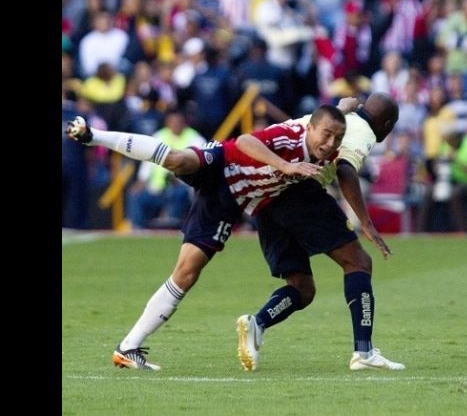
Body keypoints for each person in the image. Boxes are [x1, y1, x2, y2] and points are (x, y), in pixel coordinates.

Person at [66, 105, 348, 370]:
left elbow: (330, 120)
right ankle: (93, 135)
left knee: (187, 272)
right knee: (178, 160)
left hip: (230, 199)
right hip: (224, 161)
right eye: (327, 135)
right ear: (311, 128)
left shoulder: (327, 149)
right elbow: (244, 142)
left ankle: (128, 347)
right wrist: (285, 166)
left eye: (338, 138)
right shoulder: (290, 137)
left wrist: (344, 109)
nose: (332, 143)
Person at [236, 93, 405, 372]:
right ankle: (363, 352)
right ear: (387, 124)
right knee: (359, 263)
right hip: (300, 190)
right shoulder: (362, 131)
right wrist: (367, 223)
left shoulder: (337, 118)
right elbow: (346, 171)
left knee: (302, 288)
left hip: (267, 194)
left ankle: (257, 324)